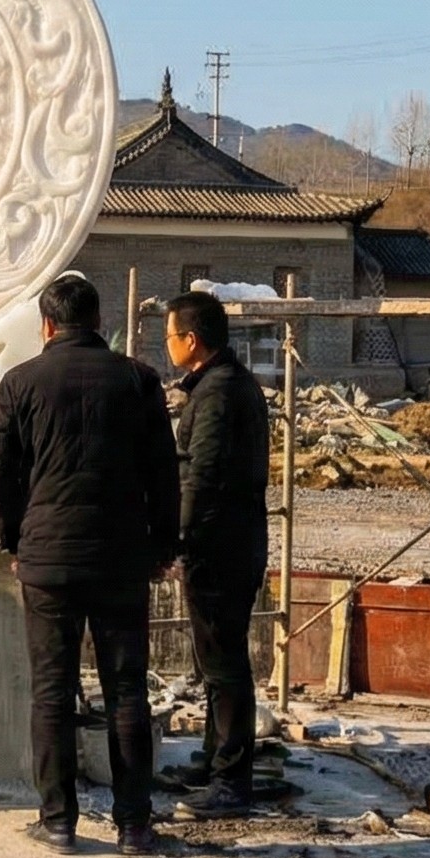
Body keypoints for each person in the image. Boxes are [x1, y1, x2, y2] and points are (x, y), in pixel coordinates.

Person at [0, 270, 180, 856]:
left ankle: (59, 821)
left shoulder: (21, 383)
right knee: (126, 691)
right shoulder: (139, 382)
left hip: (48, 562)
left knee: (52, 691)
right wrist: (161, 548)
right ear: (99, 322)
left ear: (46, 325)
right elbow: (165, 475)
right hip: (121, 560)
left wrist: (16, 538)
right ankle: (134, 824)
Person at [158, 289, 271, 819]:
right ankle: (212, 757)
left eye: (170, 337)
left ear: (192, 340)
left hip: (221, 545)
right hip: (228, 540)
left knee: (224, 664)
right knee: (213, 660)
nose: (168, 347)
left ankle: (232, 781)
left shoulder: (220, 394)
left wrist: (176, 541)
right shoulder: (221, 385)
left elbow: (199, 477)